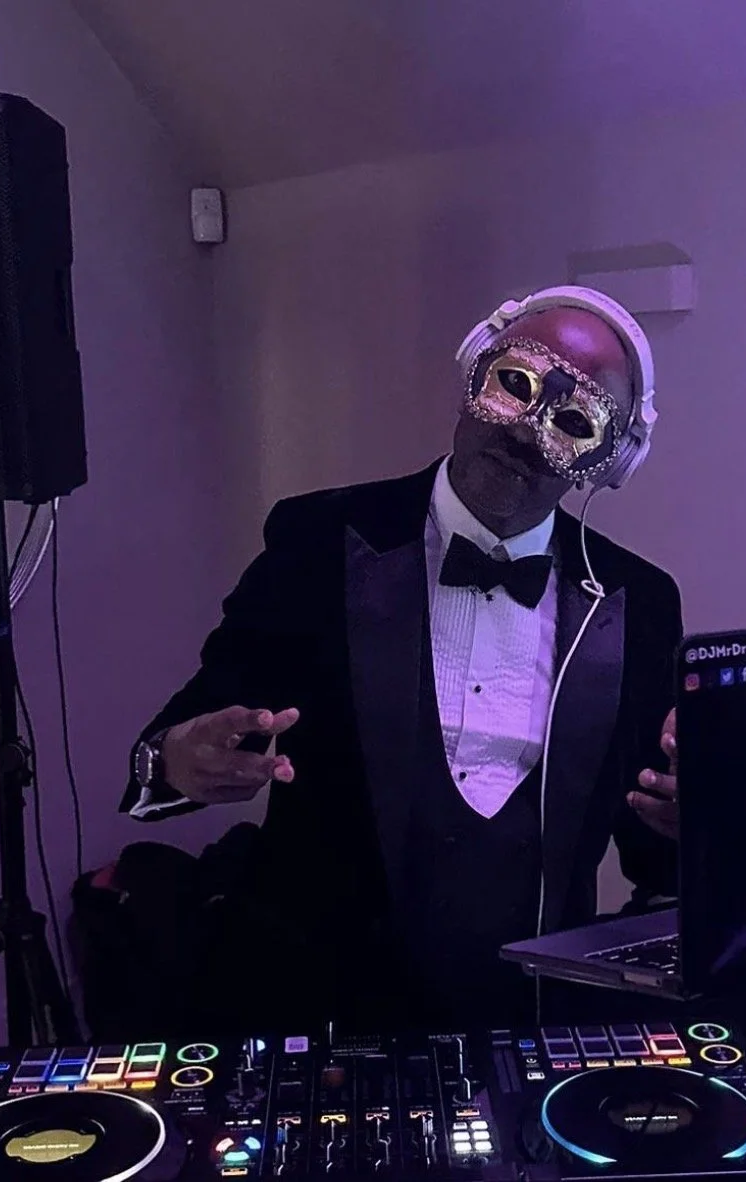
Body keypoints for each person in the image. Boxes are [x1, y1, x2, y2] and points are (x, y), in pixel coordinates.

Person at [120, 286, 681, 1032]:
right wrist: (179, 759)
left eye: (573, 422)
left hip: (530, 1019)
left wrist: (690, 829)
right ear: (475, 369)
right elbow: (193, 724)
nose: (524, 432)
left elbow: (657, 836)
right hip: (317, 1010)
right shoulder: (320, 540)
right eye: (515, 384)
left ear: (610, 461)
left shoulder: (635, 598)